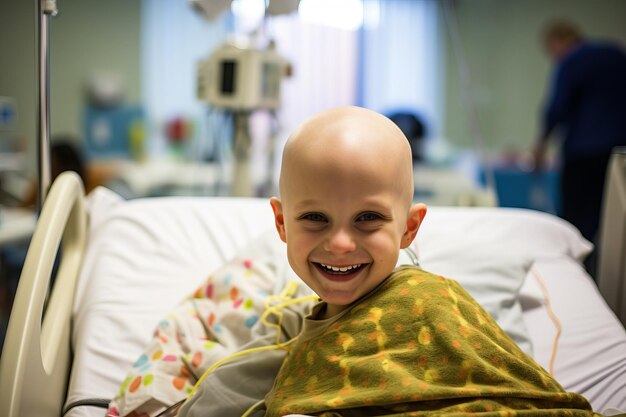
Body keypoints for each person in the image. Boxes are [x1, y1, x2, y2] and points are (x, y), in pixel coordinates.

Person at [179, 106, 597, 416]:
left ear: (409, 229)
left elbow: (513, 393)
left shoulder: (433, 302)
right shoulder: (290, 330)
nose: (340, 243)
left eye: (368, 219)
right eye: (315, 218)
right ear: (282, 223)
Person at [533, 19, 626, 259]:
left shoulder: (572, 60)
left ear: (557, 42)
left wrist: (540, 146)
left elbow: (557, 108)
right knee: (610, 219)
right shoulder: (615, 55)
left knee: (575, 221)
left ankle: (574, 267)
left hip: (583, 153)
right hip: (619, 152)